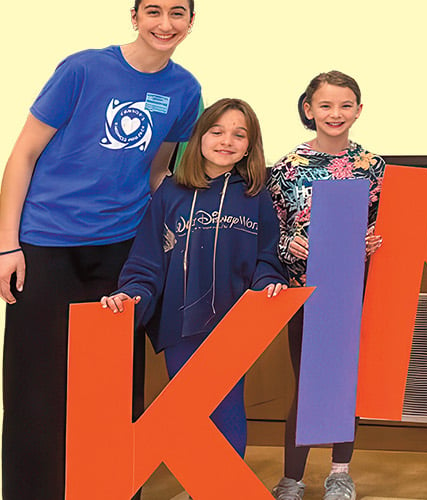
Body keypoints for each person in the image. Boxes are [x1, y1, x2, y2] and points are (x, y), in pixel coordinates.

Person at [0, 1, 202, 497]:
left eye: (178, 12)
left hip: (122, 250)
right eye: (153, 10)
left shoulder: (185, 90)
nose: (165, 23)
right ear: (134, 17)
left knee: (112, 387)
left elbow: (157, 171)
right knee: (36, 388)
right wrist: (7, 246)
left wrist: (177, 234)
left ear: (191, 23)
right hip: (46, 244)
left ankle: (109, 486)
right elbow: (23, 155)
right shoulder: (83, 68)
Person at [100, 98, 285, 474]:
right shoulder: (170, 193)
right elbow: (148, 259)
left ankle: (224, 487)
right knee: (189, 416)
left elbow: (268, 255)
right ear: (198, 137)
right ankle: (200, 483)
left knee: (228, 407)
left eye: (239, 134)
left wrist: (268, 282)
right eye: (216, 131)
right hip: (182, 326)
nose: (226, 141)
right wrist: (132, 291)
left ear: (251, 145)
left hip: (235, 325)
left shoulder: (256, 195)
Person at [268, 70, 385, 500]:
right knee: (306, 384)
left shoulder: (374, 167)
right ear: (308, 109)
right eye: (325, 105)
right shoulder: (284, 169)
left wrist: (375, 242)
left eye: (345, 105)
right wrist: (288, 244)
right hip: (303, 294)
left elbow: (386, 230)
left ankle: (339, 473)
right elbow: (272, 233)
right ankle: (291, 479)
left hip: (354, 292)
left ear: (358, 109)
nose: (335, 114)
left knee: (345, 383)